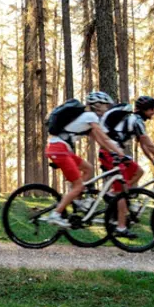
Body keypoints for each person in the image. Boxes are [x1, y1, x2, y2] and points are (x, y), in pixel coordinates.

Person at [40, 91, 130, 232]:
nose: (107, 109)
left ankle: (76, 199)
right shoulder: (90, 116)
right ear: (97, 105)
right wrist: (120, 153)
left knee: (88, 169)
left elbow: (101, 141)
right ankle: (56, 214)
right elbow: (105, 139)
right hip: (59, 150)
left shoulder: (86, 119)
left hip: (62, 149)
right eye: (105, 105)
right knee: (78, 185)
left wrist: (113, 153)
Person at [98, 95, 154, 232]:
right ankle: (121, 227)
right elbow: (150, 145)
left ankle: (116, 197)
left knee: (138, 171)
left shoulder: (134, 120)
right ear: (145, 109)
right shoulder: (136, 121)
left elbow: (144, 146)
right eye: (152, 109)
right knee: (120, 191)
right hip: (110, 153)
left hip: (116, 154)